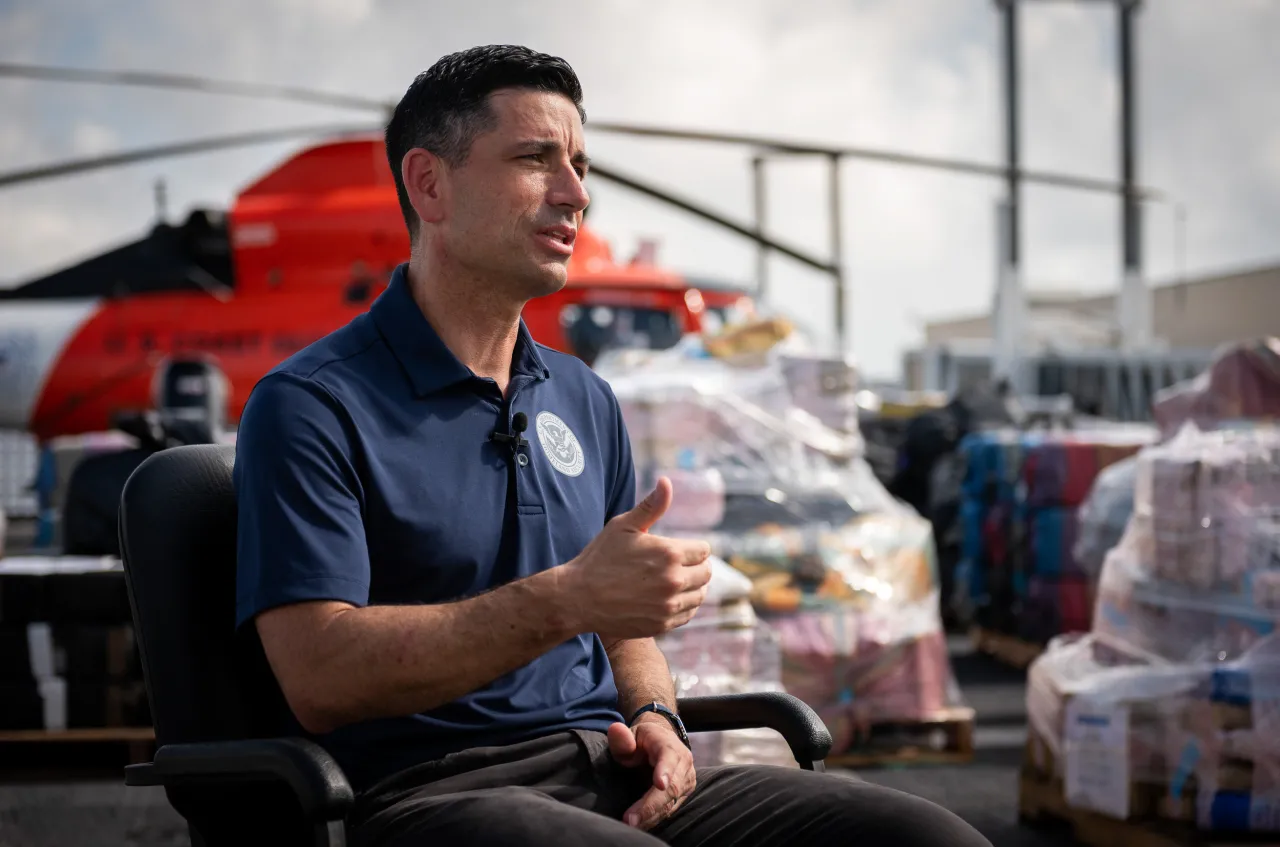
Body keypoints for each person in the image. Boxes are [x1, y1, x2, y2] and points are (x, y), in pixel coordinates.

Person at [233, 44, 992, 847]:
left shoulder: (583, 397)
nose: (576, 194)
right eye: (535, 159)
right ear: (430, 184)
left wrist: (657, 714)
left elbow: (623, 626)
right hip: (431, 791)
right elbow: (320, 675)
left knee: (927, 837)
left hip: (609, 771)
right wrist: (565, 600)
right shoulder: (311, 405)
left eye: (580, 164)